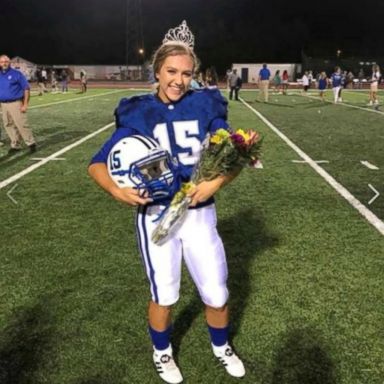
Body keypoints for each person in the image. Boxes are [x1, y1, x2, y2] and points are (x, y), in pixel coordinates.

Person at [87, 21, 245, 384]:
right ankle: (162, 352)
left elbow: (234, 156)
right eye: (171, 71)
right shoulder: (138, 111)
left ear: (194, 74)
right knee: (166, 292)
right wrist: (117, 190)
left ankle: (220, 347)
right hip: (157, 216)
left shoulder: (206, 105)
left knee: (217, 291)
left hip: (200, 214)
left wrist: (215, 183)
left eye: (186, 73)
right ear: (157, 71)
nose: (178, 80)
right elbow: (97, 163)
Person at [0, 54, 36, 154]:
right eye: (2, 62)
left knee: (21, 124)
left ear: (9, 62)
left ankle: (31, 143)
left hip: (15, 103)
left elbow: (26, 89)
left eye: (6, 61)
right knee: (8, 124)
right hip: (3, 104)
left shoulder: (17, 74)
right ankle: (15, 144)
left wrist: (25, 104)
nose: (4, 64)